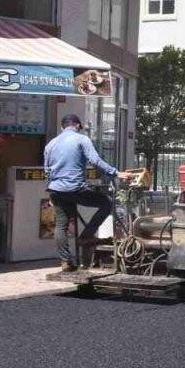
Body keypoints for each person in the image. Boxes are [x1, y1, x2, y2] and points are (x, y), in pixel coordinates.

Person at [44, 114, 118, 271]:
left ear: (63, 127)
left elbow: (47, 170)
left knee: (61, 225)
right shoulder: (82, 139)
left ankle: (66, 262)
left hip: (56, 190)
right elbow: (95, 160)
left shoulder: (51, 144)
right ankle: (86, 236)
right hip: (75, 189)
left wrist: (50, 189)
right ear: (77, 125)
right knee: (107, 202)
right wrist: (114, 173)